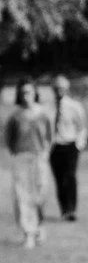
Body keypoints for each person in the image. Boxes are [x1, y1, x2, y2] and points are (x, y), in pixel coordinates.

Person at [4, 77, 52, 249]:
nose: (26, 96)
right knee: (23, 196)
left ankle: (39, 226)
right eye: (23, 93)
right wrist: (17, 155)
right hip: (22, 158)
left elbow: (48, 136)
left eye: (29, 92)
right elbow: (9, 139)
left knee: (40, 195)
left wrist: (45, 152)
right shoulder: (15, 117)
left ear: (35, 93)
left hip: (39, 157)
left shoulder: (43, 114)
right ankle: (28, 232)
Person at [50, 75, 88, 221]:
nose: (58, 90)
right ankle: (64, 209)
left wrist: (79, 145)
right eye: (56, 88)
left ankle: (72, 209)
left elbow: (83, 127)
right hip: (55, 147)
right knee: (59, 178)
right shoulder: (49, 107)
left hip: (70, 145)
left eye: (61, 88)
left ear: (66, 89)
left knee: (70, 176)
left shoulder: (74, 106)